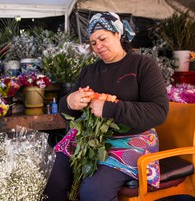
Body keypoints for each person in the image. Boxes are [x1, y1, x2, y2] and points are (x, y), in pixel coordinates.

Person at [43, 12, 169, 201]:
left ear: (118, 34)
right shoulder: (89, 71)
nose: (98, 46)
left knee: (94, 191)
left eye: (102, 38)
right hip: (89, 140)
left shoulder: (142, 65)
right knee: (52, 179)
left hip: (132, 141)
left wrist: (109, 109)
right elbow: (68, 112)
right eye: (93, 43)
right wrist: (70, 102)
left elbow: (159, 111)